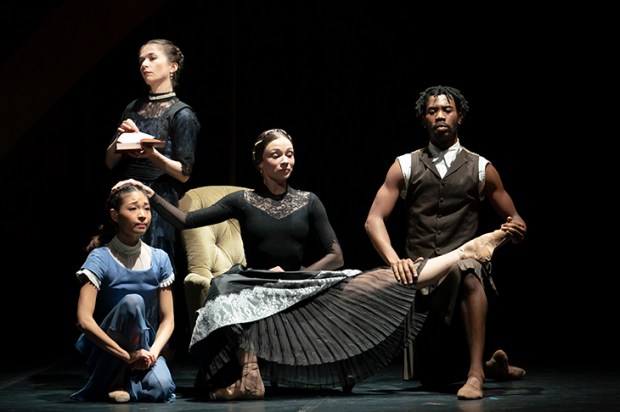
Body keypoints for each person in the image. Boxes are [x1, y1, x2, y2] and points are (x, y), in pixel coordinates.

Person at [113, 128, 512, 402]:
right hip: (258, 282)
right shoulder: (241, 201)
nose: (285, 161)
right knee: (225, 286)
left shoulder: (308, 201)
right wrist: (151, 193)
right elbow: (186, 220)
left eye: (289, 154)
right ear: (260, 162)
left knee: (383, 279)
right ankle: (249, 377)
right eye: (276, 155)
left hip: (302, 282)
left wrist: (299, 276)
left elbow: (335, 254)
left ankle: (464, 252)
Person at [365, 85, 527, 400]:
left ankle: (476, 375)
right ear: (423, 120)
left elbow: (516, 218)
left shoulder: (480, 167)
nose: (440, 116)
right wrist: (395, 261)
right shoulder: (405, 165)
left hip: (463, 272)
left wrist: (516, 229)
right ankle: (494, 367)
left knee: (468, 268)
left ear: (459, 117)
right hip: (423, 275)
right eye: (432, 111)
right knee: (434, 378)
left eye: (446, 110)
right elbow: (373, 220)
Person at [70, 183, 176, 404]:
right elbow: (83, 320)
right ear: (115, 215)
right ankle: (114, 379)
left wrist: (152, 353)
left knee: (163, 389)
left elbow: (168, 320)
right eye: (133, 208)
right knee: (132, 302)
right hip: (107, 349)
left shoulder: (159, 258)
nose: (142, 215)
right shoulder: (100, 257)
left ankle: (128, 379)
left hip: (142, 345)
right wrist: (127, 356)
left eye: (146, 208)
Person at [105, 38, 201, 266]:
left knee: (151, 264)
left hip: (159, 198)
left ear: (172, 66)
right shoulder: (133, 107)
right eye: (141, 60)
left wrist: (152, 154)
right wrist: (121, 137)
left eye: (152, 58)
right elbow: (110, 162)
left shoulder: (182, 114)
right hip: (126, 192)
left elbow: (184, 173)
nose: (144, 65)